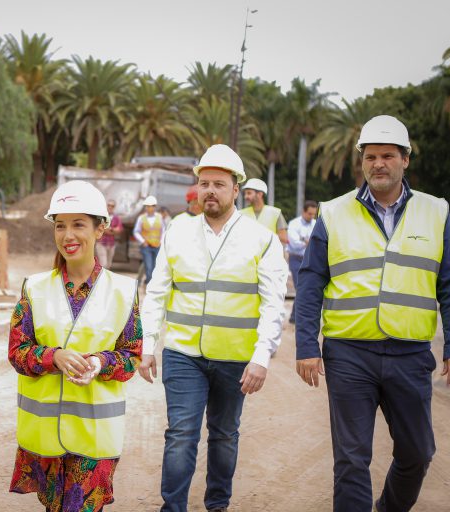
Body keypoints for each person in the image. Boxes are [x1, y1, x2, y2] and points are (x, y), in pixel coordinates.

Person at [295, 115, 450, 512]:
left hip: (409, 355)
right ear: (362, 161)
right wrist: (307, 345)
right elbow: (310, 283)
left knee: (418, 453)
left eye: (388, 155)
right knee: (352, 460)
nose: (378, 164)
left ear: (405, 159)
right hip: (348, 354)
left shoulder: (435, 212)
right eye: (370, 156)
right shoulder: (334, 213)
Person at [140, 144, 288, 512]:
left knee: (224, 435)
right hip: (183, 355)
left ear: (235, 190)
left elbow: (274, 302)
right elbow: (157, 290)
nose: (210, 190)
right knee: (180, 434)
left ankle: (217, 504)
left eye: (218, 184)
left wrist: (261, 357)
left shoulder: (261, 238)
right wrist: (147, 345)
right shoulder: (178, 231)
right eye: (204, 183)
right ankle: (172, 508)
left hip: (235, 359)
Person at [8, 180, 142, 512]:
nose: (68, 235)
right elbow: (16, 351)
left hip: (94, 438)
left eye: (79, 225)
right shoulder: (35, 288)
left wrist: (99, 363)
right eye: (60, 226)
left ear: (100, 229)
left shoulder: (123, 291)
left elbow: (131, 356)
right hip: (45, 437)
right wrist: (54, 357)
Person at [286, 200, 317, 324]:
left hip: (310, 259)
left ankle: (295, 317)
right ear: (303, 212)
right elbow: (294, 243)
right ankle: (299, 317)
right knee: (301, 287)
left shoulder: (315, 223)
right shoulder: (294, 224)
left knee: (305, 288)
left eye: (314, 214)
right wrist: (308, 242)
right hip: (296, 259)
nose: (312, 217)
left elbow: (316, 242)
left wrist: (304, 241)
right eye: (309, 214)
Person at [240, 178, 288, 244]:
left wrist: (262, 236)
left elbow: (284, 238)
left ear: (260, 194)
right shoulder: (240, 214)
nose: (246, 196)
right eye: (245, 194)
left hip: (270, 253)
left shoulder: (275, 213)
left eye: (249, 193)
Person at [133, 195, 165, 285]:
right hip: (146, 246)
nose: (148, 208)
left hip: (157, 246)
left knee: (156, 267)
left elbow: (163, 231)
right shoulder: (141, 218)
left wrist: (161, 242)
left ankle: (149, 282)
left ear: (154, 207)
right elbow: (136, 231)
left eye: (150, 206)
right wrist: (142, 242)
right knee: (149, 266)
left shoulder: (159, 217)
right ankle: (149, 284)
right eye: (147, 206)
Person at [95, 198, 123, 269]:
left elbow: (119, 229)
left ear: (114, 207)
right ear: (106, 206)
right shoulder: (101, 216)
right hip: (101, 242)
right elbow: (101, 228)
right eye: (109, 205)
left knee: (109, 265)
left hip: (111, 244)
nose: (110, 207)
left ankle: (105, 279)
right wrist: (112, 230)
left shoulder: (116, 218)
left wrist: (110, 229)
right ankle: (102, 278)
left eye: (112, 206)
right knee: (103, 263)